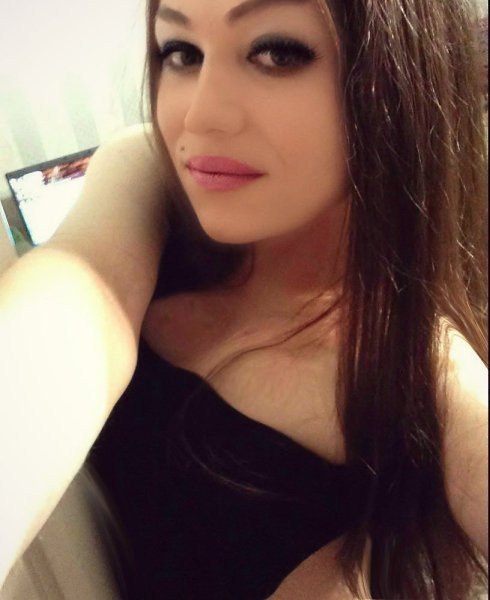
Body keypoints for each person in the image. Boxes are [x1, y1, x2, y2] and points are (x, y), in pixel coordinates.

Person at [0, 0, 488, 598]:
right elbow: (76, 291)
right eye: (181, 53)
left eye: (277, 52)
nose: (199, 115)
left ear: (399, 84)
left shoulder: (427, 375)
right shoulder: (148, 172)